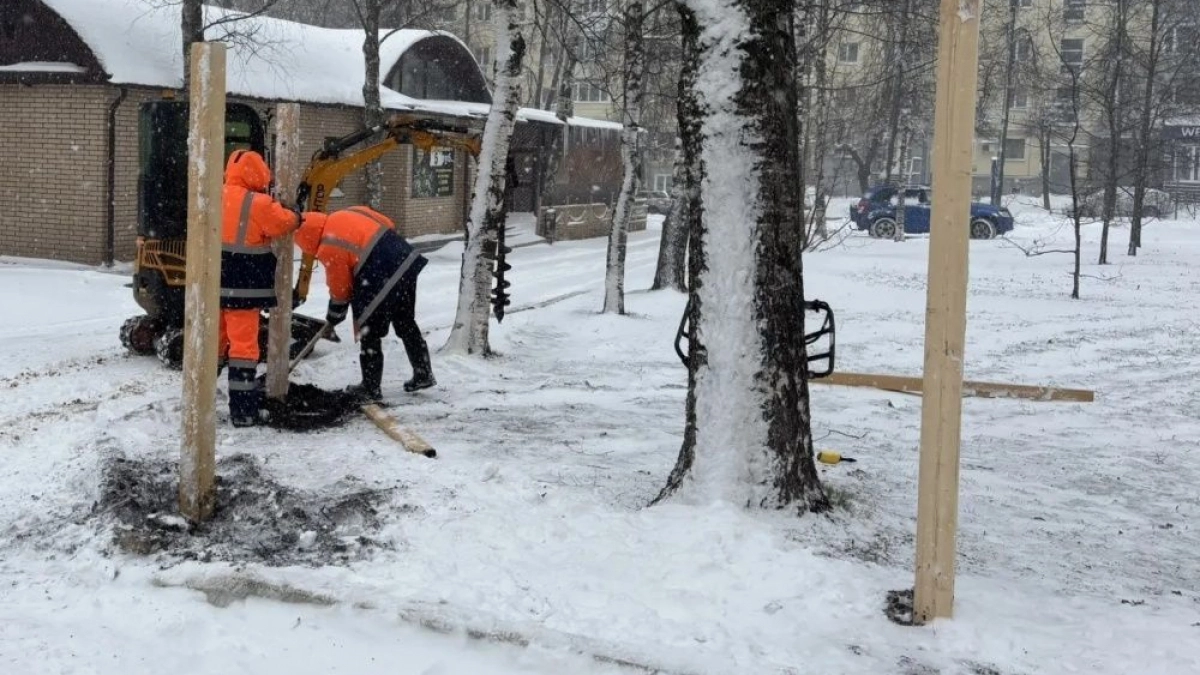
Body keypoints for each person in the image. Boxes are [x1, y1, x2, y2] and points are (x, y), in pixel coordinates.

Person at [294, 206, 434, 401]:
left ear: (307, 241)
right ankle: (423, 372)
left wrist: (335, 313)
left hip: (379, 270)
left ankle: (370, 388)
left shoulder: (328, 244)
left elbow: (340, 289)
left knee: (369, 329)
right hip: (404, 258)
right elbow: (387, 223)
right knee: (404, 320)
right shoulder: (346, 212)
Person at [220, 149, 301, 426]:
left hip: (211, 285)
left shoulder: (212, 194)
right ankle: (243, 412)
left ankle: (200, 401)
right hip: (244, 286)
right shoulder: (258, 203)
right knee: (243, 349)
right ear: (257, 173)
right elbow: (283, 223)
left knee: (214, 344)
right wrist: (297, 215)